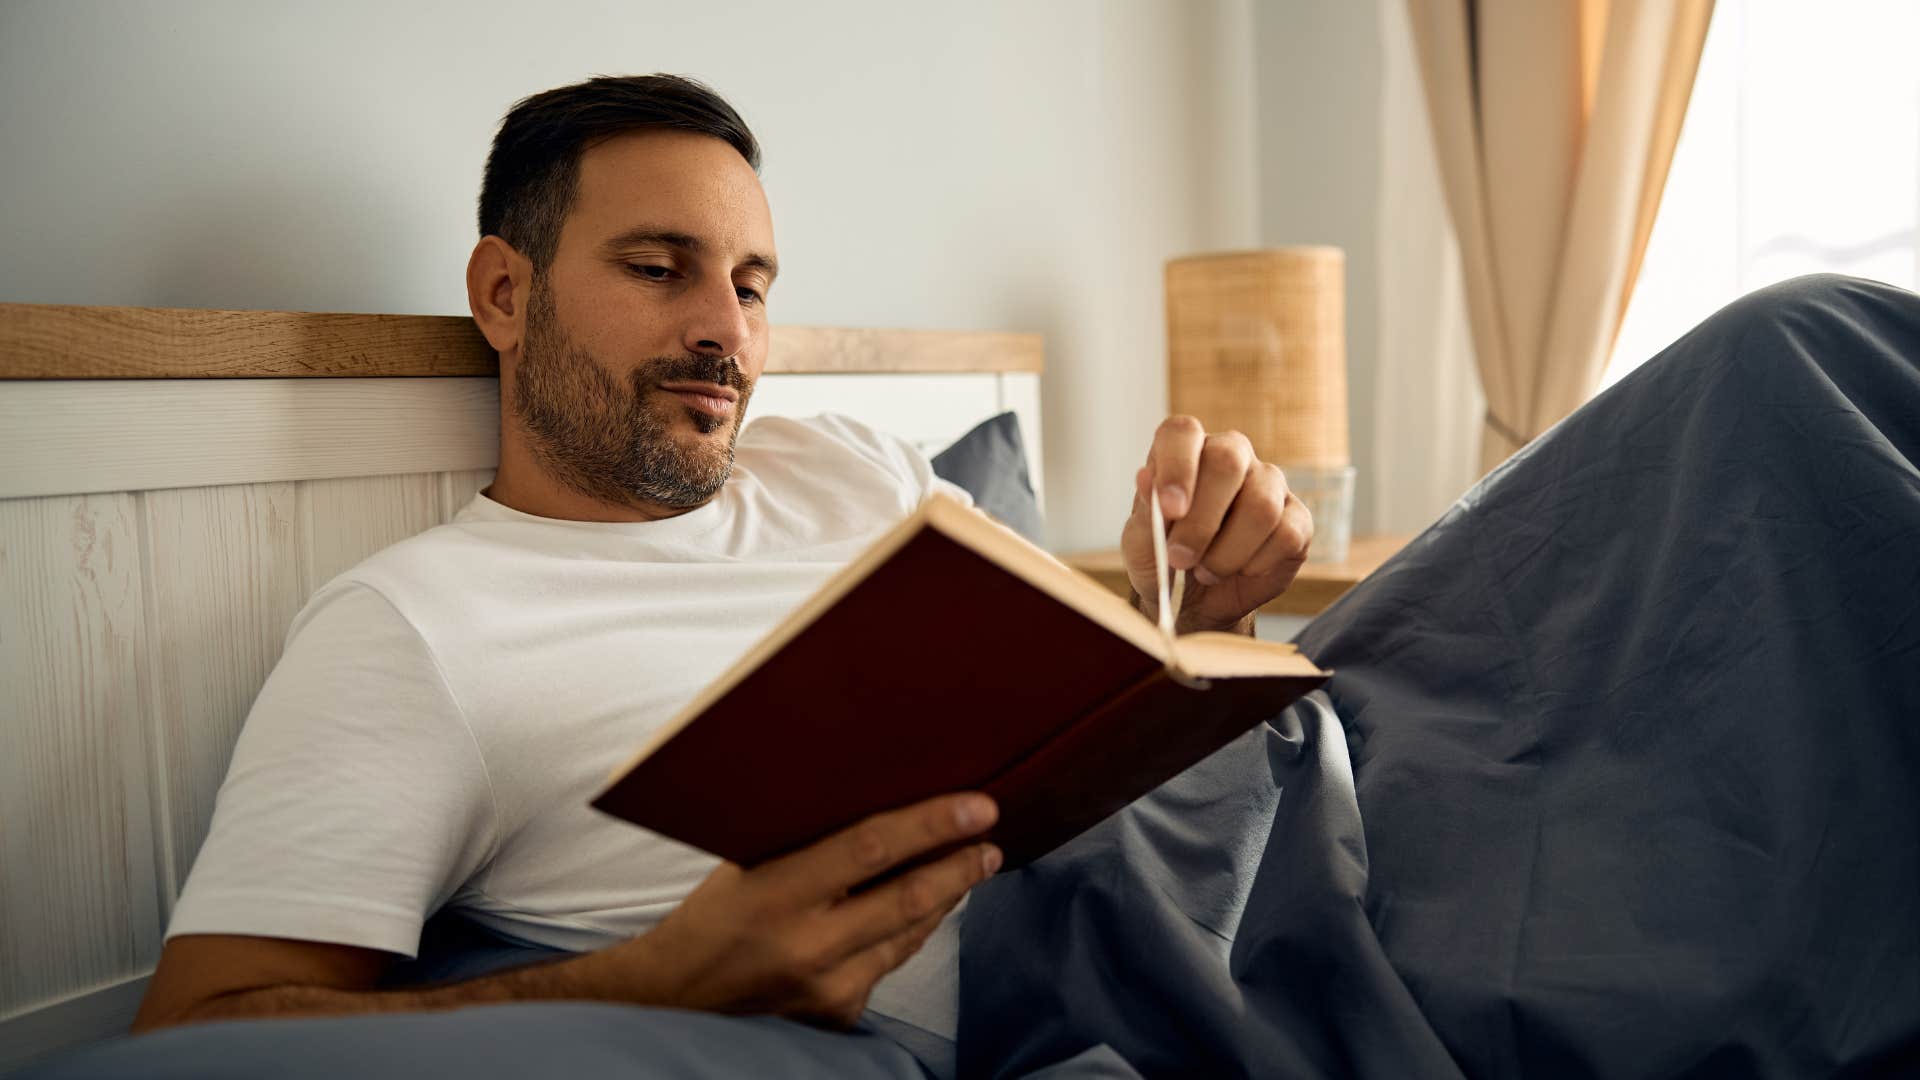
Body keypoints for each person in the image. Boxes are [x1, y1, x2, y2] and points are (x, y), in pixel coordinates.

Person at [129, 73, 1314, 1054]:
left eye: (751, 285)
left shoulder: (854, 467)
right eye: (658, 268)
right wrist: (653, 982)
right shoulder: (415, 626)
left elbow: (1082, 709)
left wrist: (1194, 604)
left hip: (1180, 906)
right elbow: (202, 1032)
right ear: (504, 293)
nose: (727, 331)